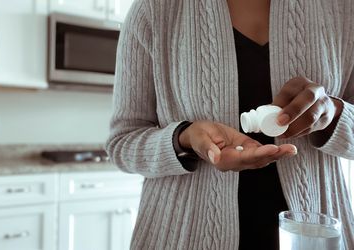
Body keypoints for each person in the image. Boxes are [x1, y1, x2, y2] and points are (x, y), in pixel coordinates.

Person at [105, 0, 354, 249]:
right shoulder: (154, 10)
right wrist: (185, 139)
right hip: (184, 237)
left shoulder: (344, 10)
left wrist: (333, 113)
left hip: (315, 236)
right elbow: (123, 143)